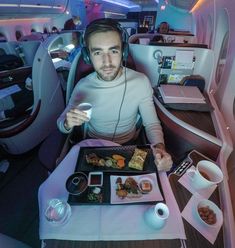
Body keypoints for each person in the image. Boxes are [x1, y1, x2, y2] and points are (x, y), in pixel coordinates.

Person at [57, 18, 172, 172]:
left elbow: (151, 124)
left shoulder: (141, 82)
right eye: (98, 52)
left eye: (113, 51)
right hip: (93, 148)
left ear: (123, 52)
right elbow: (61, 122)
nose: (107, 62)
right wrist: (67, 123)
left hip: (129, 147)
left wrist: (160, 149)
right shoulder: (83, 87)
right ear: (87, 56)